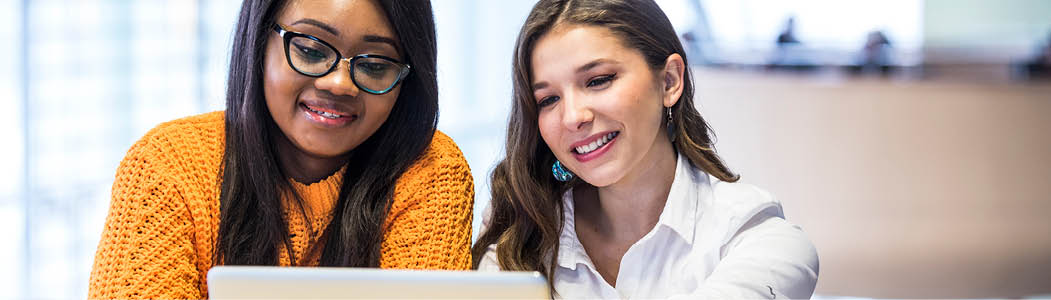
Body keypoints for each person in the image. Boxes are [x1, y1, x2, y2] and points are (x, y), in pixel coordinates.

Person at [88, 0, 474, 298]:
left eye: (375, 65)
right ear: (258, 42)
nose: (340, 84)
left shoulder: (429, 170)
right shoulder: (169, 165)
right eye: (310, 50)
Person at [473, 0, 818, 298]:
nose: (573, 117)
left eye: (598, 80)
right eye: (548, 99)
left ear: (669, 81)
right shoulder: (518, 229)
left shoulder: (753, 233)